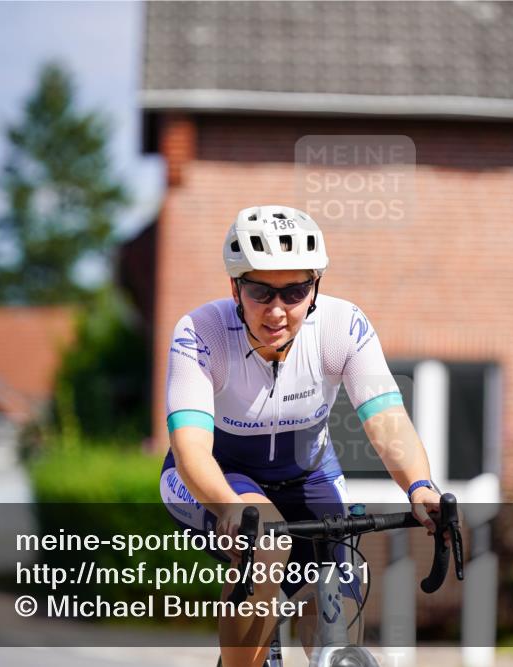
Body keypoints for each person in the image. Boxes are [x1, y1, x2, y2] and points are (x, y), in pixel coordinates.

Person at [160, 205, 445, 667]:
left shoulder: (341, 327)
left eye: (294, 292)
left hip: (308, 476)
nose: (276, 311)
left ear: (315, 288)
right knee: (267, 542)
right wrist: (230, 507)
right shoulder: (201, 332)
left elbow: (387, 419)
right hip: (216, 476)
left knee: (339, 591)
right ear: (235, 287)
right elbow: (191, 450)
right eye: (259, 291)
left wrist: (419, 485)